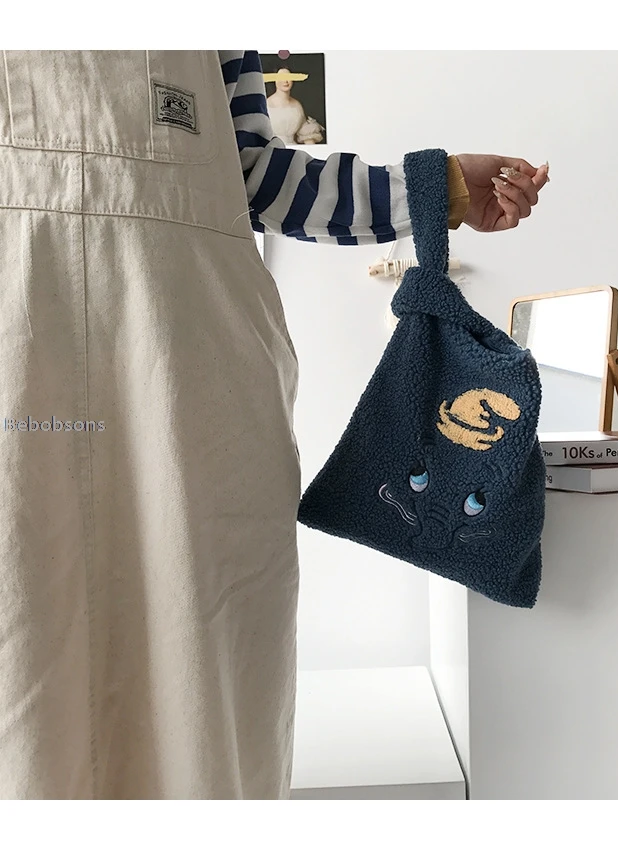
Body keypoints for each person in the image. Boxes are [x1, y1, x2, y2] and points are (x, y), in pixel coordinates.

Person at [0, 50, 549, 801]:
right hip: (22, 335)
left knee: (204, 677)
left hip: (189, 359)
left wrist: (440, 188)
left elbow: (255, 175)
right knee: (23, 643)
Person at [264, 64, 325, 145]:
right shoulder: (267, 104)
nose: (285, 81)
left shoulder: (297, 105)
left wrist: (311, 147)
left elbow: (304, 130)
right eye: (281, 78)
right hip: (273, 147)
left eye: (289, 77)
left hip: (294, 147)